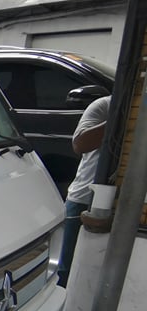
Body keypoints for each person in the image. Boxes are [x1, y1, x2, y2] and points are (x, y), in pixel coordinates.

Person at [57, 95, 109, 287]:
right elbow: (80, 144)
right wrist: (121, 116)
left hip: (125, 204)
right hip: (83, 199)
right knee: (64, 268)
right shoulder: (105, 105)